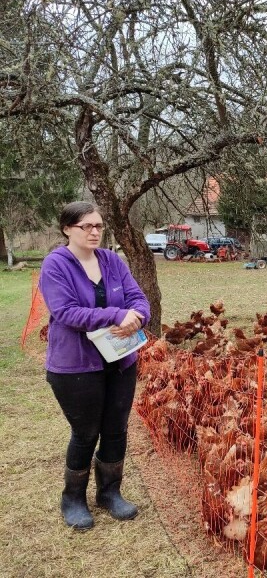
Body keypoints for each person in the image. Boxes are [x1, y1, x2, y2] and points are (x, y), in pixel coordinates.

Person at [39, 201, 150, 530]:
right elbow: (66, 312)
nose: (94, 232)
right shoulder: (56, 265)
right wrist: (117, 315)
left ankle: (109, 492)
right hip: (75, 366)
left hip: (120, 361)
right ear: (67, 229)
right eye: (86, 226)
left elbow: (137, 298)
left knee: (116, 428)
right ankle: (73, 498)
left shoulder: (112, 260)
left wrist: (138, 316)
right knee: (86, 432)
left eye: (98, 225)